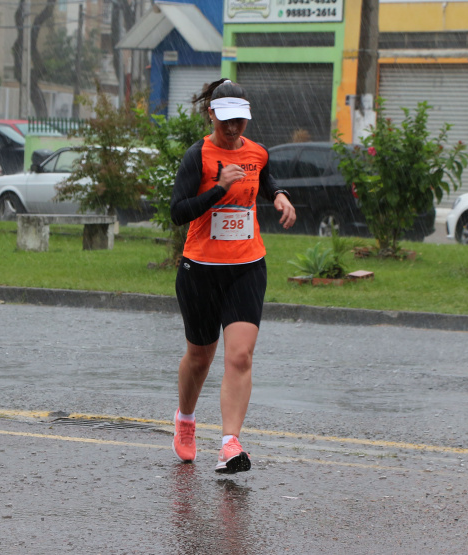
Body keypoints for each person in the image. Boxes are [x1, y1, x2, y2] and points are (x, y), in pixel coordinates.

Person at [169, 79, 296, 473]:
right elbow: (178, 211)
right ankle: (185, 421)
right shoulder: (198, 157)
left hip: (246, 267)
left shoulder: (257, 152)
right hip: (201, 270)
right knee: (200, 356)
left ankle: (229, 443)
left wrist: (279, 194)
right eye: (226, 120)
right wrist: (218, 191)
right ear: (211, 115)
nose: (233, 128)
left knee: (239, 355)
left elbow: (264, 175)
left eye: (240, 120)